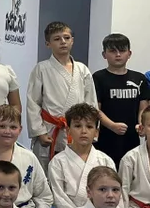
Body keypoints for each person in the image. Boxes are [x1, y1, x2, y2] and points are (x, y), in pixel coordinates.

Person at [26, 21, 97, 170]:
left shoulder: (82, 69)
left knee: (75, 169)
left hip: (77, 129)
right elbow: (33, 102)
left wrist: (91, 130)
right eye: (57, 39)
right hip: (50, 129)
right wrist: (39, 132)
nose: (63, 42)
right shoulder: (41, 69)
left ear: (72, 41)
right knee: (47, 170)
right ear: (48, 44)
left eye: (66, 38)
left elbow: (91, 103)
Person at [0, 104, 53, 208]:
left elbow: (43, 195)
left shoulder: (29, 157)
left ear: (20, 129)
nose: (7, 131)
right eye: (2, 126)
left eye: (13, 127)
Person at [92, 33, 150, 169]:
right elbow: (95, 109)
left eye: (122, 50)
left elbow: (143, 107)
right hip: (106, 137)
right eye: (113, 51)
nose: (118, 55)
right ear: (104, 54)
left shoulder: (139, 78)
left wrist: (141, 124)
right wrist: (112, 125)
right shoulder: (98, 78)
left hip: (131, 137)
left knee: (130, 171)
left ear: (129, 53)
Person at [48, 103, 116, 208]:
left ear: (96, 132)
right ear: (68, 130)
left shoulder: (105, 161)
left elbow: (113, 192)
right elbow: (59, 197)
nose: (84, 131)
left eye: (89, 127)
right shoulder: (57, 162)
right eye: (78, 126)